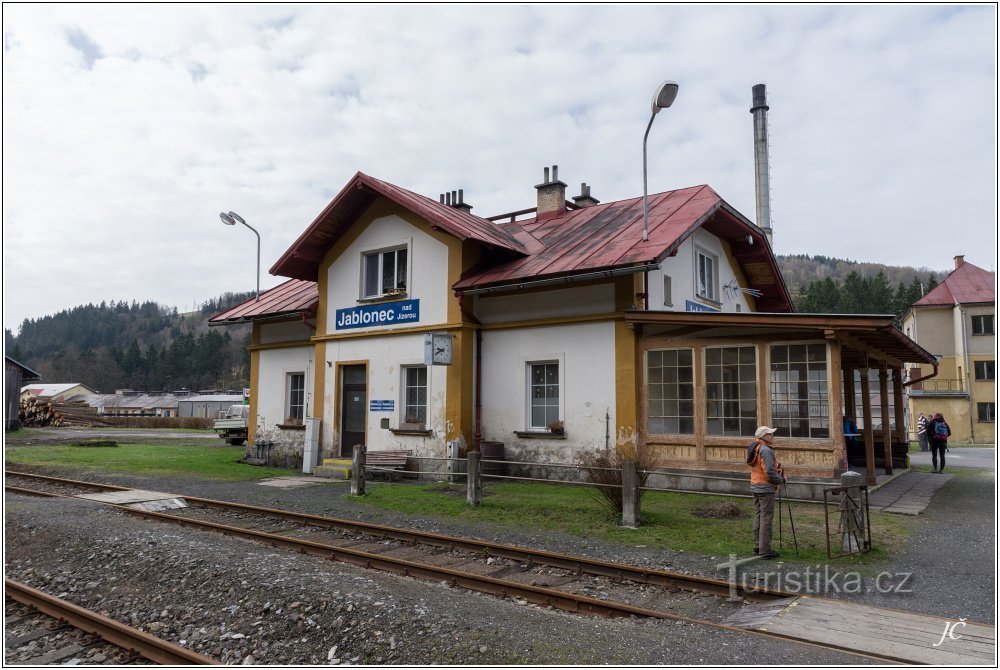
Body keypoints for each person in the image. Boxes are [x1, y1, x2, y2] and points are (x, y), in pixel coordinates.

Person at [746, 426, 785, 559]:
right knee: (766, 518)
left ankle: (758, 546)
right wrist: (780, 479)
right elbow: (769, 472)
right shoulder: (766, 450)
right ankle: (765, 550)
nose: (772, 436)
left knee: (759, 515)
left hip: (755, 485)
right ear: (763, 436)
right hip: (765, 487)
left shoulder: (755, 447)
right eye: (770, 434)